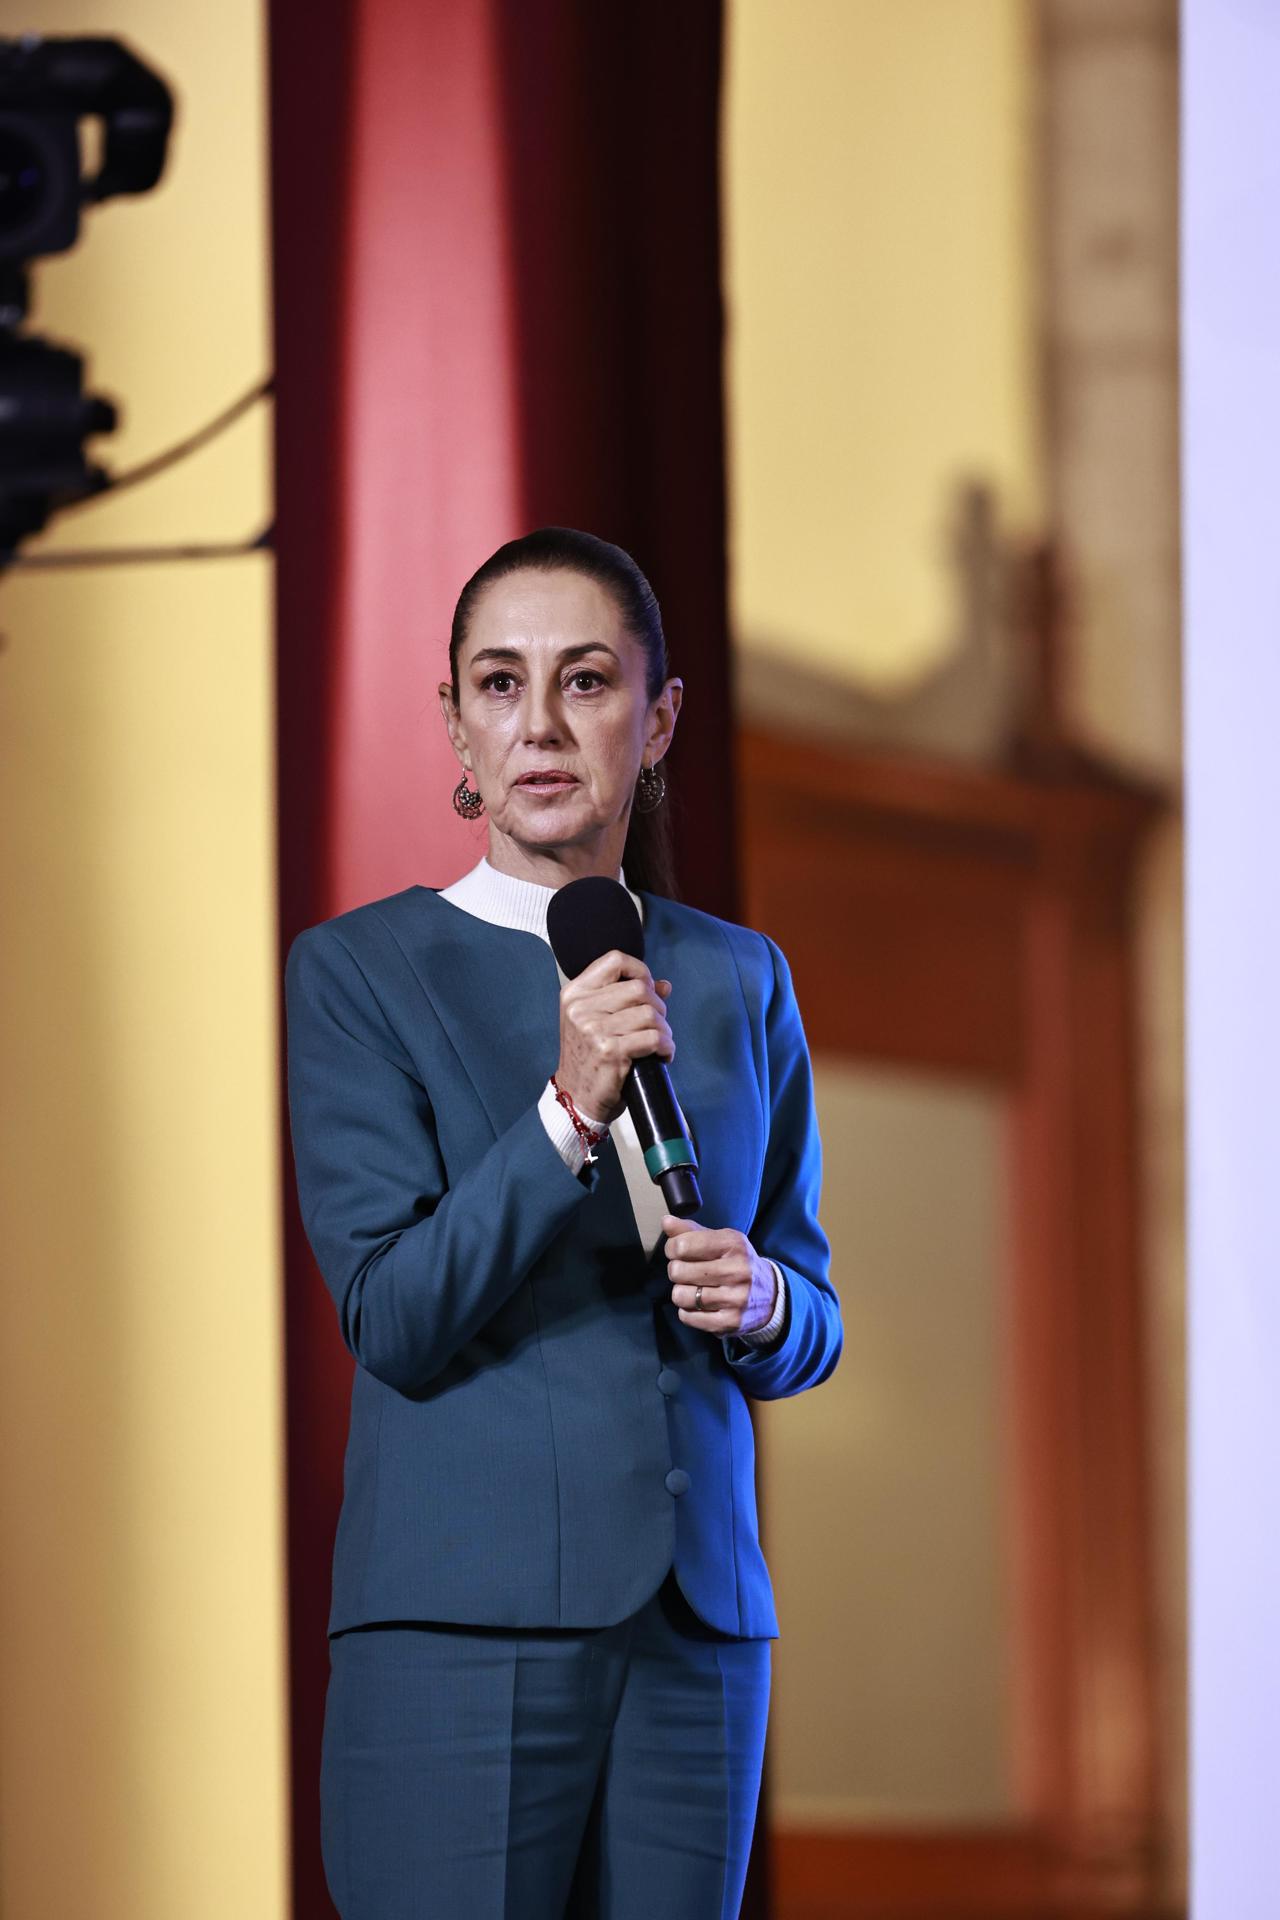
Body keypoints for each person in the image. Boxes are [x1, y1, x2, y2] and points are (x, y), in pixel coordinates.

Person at [284, 526, 842, 1919]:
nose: (539, 724)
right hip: (462, 1635)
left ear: (655, 722)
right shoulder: (360, 971)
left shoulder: (739, 974)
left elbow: (812, 1305)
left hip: (697, 1632)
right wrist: (566, 1110)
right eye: (498, 683)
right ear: (456, 726)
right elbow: (395, 1316)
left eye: (586, 682)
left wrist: (766, 1305)